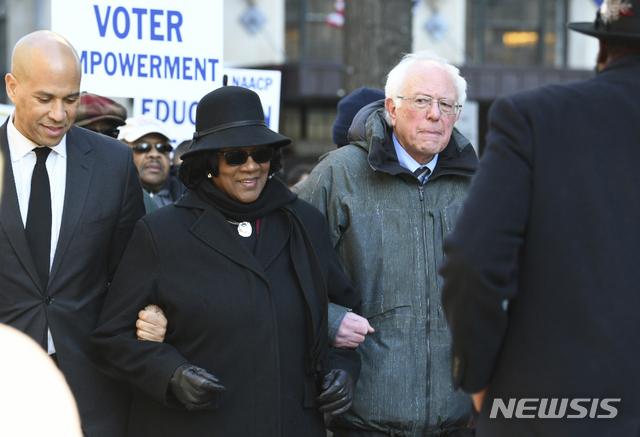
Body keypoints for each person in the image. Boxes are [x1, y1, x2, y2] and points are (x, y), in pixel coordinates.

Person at [92, 86, 362, 436]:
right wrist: (170, 374)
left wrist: (343, 370)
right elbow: (113, 336)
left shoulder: (305, 222)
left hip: (288, 423)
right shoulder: (162, 232)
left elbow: (343, 316)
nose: (250, 166)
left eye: (261, 153)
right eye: (235, 155)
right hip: (195, 425)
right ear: (210, 162)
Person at [439, 1, 640, 435]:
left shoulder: (536, 117)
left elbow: (472, 262)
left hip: (550, 410)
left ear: (601, 49)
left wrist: (476, 374)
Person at [298, 50, 478, 437]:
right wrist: (330, 322)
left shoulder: (475, 183)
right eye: (422, 101)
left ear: (457, 115)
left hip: (457, 420)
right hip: (363, 419)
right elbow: (286, 270)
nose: (435, 114)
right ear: (391, 108)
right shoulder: (338, 174)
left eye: (447, 104)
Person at [0, 30, 145, 435]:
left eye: (71, 98)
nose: (60, 114)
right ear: (12, 86)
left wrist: (152, 310)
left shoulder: (113, 162)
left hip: (93, 385)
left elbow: (134, 271)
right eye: (45, 98)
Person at [74, 92, 159, 214]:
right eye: (89, 133)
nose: (100, 141)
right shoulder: (51, 179)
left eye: (109, 133)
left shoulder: (136, 194)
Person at [119, 116, 184, 208]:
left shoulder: (190, 190)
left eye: (163, 147)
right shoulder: (110, 194)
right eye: (142, 147)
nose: (154, 154)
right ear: (120, 152)